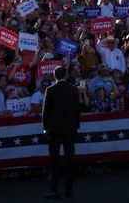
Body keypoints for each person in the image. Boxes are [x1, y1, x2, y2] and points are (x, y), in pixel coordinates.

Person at [42, 66, 81, 199]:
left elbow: (45, 111)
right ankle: (69, 189)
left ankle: (54, 190)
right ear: (65, 75)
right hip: (70, 128)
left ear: (54, 76)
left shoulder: (50, 90)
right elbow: (77, 109)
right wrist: (76, 125)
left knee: (54, 161)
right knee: (70, 160)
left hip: (54, 129)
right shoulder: (73, 89)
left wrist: (45, 127)